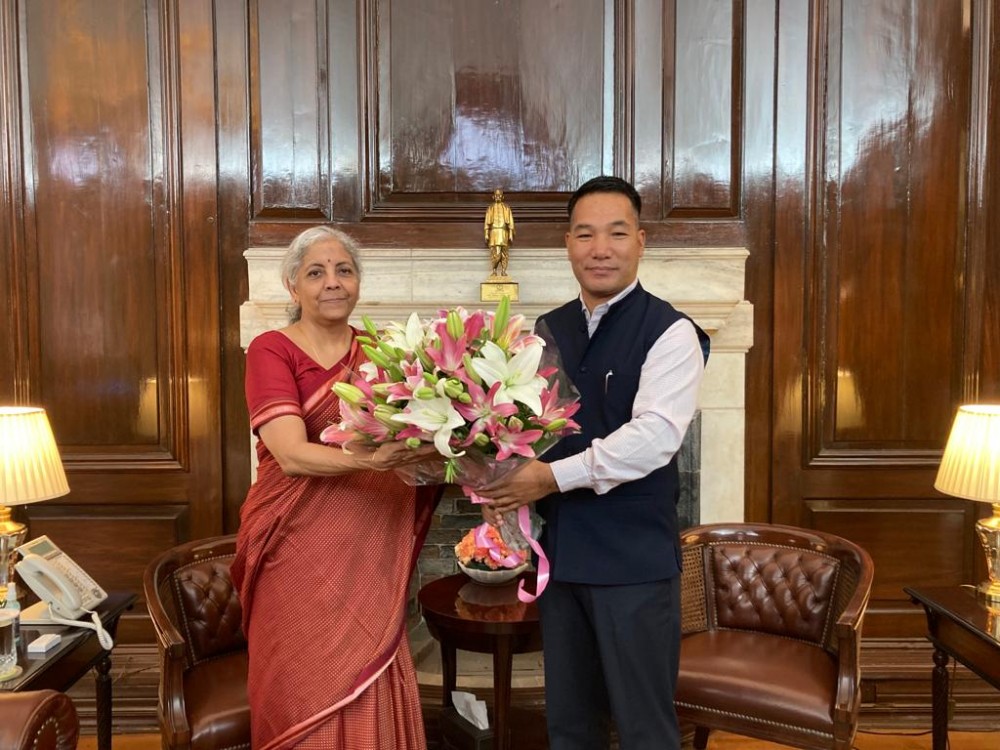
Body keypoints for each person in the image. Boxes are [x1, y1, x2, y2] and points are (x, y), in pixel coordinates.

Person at [479, 176, 710, 750]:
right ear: (567, 244)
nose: (599, 248)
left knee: (643, 729)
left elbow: (654, 437)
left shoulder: (671, 332)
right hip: (565, 560)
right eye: (585, 234)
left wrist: (548, 477)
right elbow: (530, 427)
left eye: (615, 233)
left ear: (641, 241)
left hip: (634, 564)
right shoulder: (547, 330)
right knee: (571, 725)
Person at [231, 226, 437, 750]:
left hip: (369, 546)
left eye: (344, 270)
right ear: (292, 285)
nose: (332, 282)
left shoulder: (384, 352)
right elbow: (291, 453)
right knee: (300, 679)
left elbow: (418, 436)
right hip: (294, 545)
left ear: (358, 282)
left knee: (373, 656)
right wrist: (373, 459)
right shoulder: (271, 349)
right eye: (316, 272)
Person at [484, 188, 514, 277]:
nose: (498, 197)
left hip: (504, 232)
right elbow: (487, 222)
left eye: (500, 195)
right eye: (496, 195)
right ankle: (494, 270)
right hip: (494, 232)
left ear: (502, 196)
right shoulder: (490, 208)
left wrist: (511, 233)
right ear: (493, 196)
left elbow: (510, 221)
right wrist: (486, 233)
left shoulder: (506, 208)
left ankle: (504, 271)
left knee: (504, 253)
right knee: (496, 253)